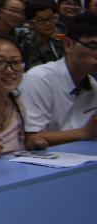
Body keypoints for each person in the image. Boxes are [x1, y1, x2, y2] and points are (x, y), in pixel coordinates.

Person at [19, 13, 97, 147]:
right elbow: (31, 138)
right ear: (68, 44)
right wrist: (83, 133)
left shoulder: (93, 85)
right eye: (93, 46)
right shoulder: (39, 79)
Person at [20, 0, 64, 68]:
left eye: (50, 18)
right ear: (31, 24)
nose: (48, 23)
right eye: (41, 20)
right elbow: (37, 72)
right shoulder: (28, 45)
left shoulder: (58, 36)